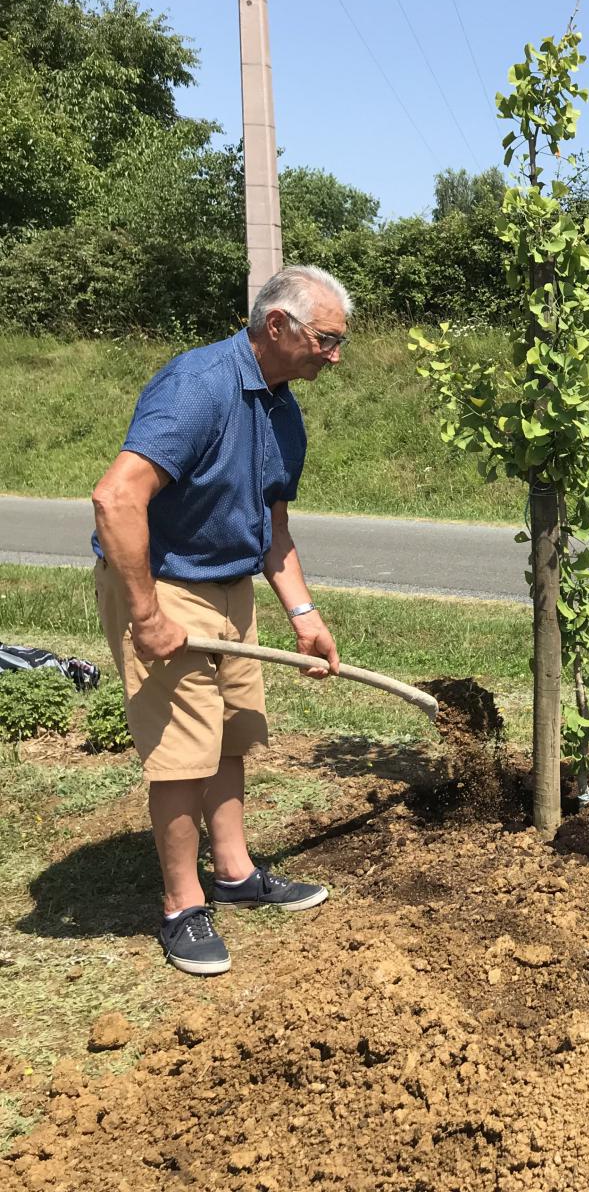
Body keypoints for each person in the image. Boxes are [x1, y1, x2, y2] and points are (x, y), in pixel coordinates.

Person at [91, 265, 351, 976]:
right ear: (278, 326)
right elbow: (116, 500)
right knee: (182, 753)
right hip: (164, 585)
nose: (335, 357)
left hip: (229, 586)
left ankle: (234, 872)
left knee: (233, 731)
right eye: (326, 341)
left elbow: (274, 526)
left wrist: (305, 615)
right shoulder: (197, 387)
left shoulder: (281, 406)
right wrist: (145, 615)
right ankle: (182, 905)